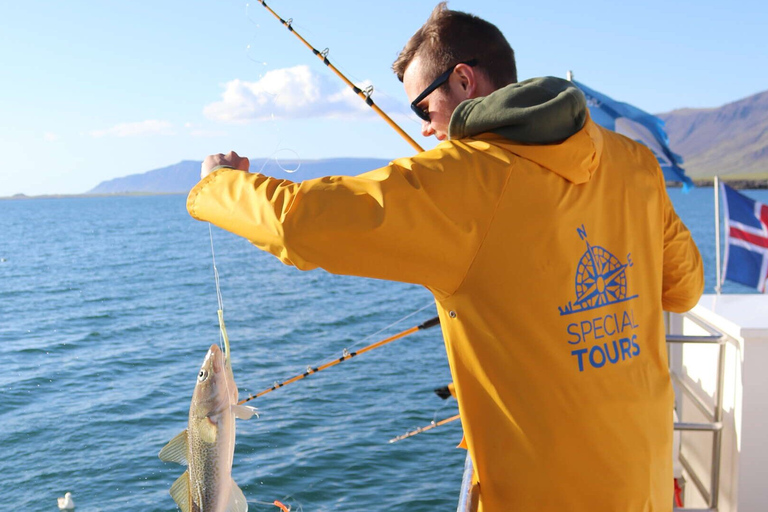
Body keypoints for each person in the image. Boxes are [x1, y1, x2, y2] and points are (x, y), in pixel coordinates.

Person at [187, 3, 704, 510]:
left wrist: (218, 186)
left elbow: (301, 223)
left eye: (422, 108)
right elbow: (683, 288)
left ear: (463, 81)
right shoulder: (632, 162)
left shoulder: (463, 182)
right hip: (645, 481)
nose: (425, 130)